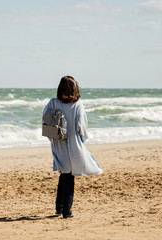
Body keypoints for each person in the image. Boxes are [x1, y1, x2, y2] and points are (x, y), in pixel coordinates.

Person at [42, 76, 103, 218]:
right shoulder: (78, 105)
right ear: (75, 89)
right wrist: (82, 139)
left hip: (58, 141)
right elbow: (81, 126)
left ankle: (59, 207)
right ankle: (66, 212)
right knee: (70, 177)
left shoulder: (53, 103)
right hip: (73, 142)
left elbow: (45, 119)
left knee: (64, 173)